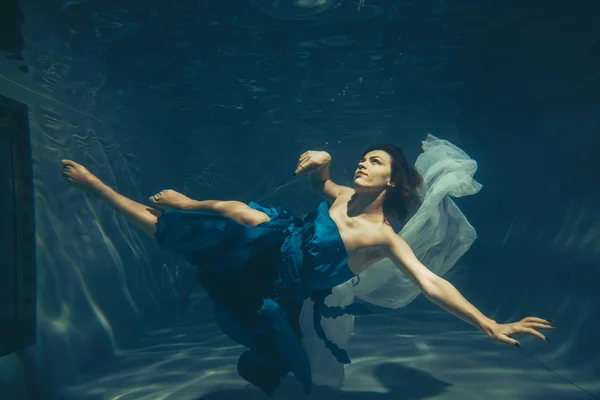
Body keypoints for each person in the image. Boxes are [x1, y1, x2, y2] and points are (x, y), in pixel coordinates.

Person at [60, 135, 554, 396]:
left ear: (393, 180)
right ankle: (122, 193)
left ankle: (181, 209)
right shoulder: (342, 194)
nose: (363, 164)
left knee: (291, 374)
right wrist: (322, 161)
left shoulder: (380, 237)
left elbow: (430, 282)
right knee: (221, 219)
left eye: (374, 161)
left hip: (282, 288)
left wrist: (488, 322)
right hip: (271, 246)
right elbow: (321, 185)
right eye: (362, 158)